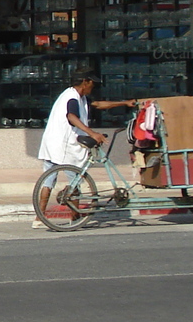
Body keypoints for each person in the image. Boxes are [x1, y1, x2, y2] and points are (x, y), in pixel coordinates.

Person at [34, 71, 135, 225]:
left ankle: (40, 218)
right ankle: (73, 216)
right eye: (92, 83)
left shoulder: (78, 97)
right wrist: (92, 133)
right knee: (73, 180)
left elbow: (99, 104)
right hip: (63, 145)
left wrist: (124, 103)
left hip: (53, 143)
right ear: (85, 82)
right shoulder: (72, 98)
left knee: (49, 181)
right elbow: (71, 117)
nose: (92, 87)